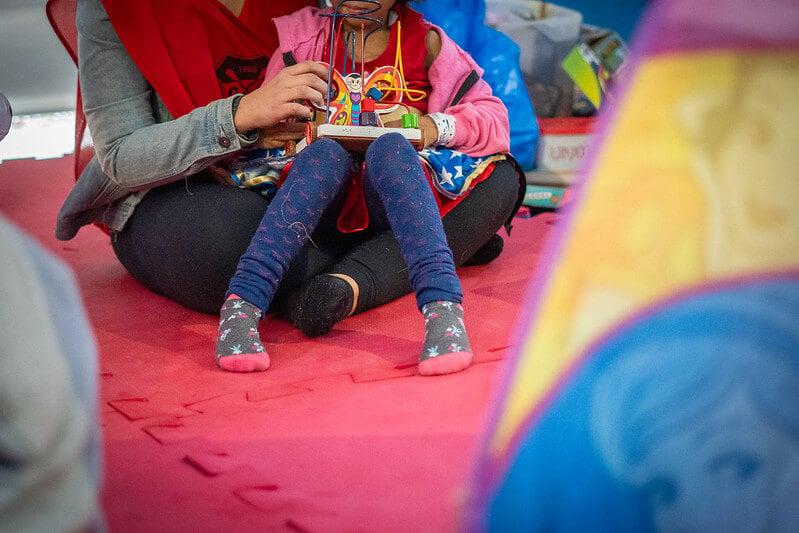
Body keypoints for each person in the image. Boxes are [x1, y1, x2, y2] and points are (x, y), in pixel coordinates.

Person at [55, 0, 523, 338]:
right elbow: (120, 155)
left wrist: (429, 126)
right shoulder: (114, 9)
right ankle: (409, 255)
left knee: (499, 175)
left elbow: (485, 115)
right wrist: (242, 120)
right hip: (209, 186)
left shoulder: (422, 42)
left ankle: (357, 277)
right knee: (228, 250)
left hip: (353, 184)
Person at [215, 0, 513, 374]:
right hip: (320, 195)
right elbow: (265, 121)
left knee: (393, 147)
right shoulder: (304, 41)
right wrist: (291, 124)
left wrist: (433, 127)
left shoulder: (427, 43)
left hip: (393, 195)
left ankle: (443, 311)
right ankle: (242, 306)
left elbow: (494, 118)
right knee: (326, 153)